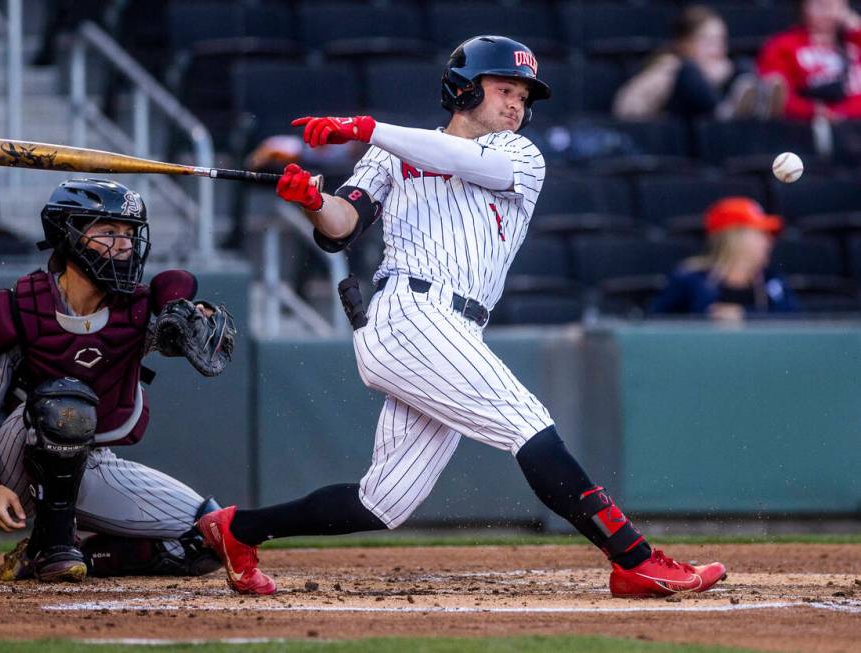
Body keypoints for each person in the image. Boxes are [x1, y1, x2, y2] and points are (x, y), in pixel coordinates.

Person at [197, 35, 727, 599]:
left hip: (457, 328)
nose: (516, 105)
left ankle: (238, 529)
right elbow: (342, 225)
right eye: (504, 89)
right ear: (463, 88)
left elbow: (459, 159)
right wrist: (310, 200)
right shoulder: (391, 153)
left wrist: (364, 127)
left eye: (523, 96)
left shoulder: (520, 156)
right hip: (409, 316)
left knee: (384, 502)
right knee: (526, 423)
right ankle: (634, 560)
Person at [0, 178, 235, 582]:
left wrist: (189, 311)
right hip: (14, 461)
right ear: (69, 235)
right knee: (63, 404)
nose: (124, 245)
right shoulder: (16, 307)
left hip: (92, 459)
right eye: (109, 232)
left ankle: (66, 548)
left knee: (208, 536)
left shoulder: (136, 307)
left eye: (130, 234)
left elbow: (176, 284)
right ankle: (53, 546)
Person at [614, 5, 782, 121]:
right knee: (689, 73)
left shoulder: (725, 68)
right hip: (676, 132)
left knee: (742, 68)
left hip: (715, 139)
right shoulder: (669, 66)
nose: (716, 48)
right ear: (685, 43)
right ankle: (723, 115)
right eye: (708, 41)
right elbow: (625, 107)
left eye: (720, 41)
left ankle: (760, 108)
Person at [651, 197, 798, 319]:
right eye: (760, 233)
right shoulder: (691, 279)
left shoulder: (771, 280)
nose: (769, 241)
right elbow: (657, 323)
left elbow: (793, 321)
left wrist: (744, 316)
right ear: (735, 239)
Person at [757, 0, 861, 121]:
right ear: (804, 7)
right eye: (820, 4)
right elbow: (777, 96)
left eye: (836, 4)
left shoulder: (855, 41)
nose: (829, 10)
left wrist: (857, 28)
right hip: (805, 127)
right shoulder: (783, 46)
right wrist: (812, 111)